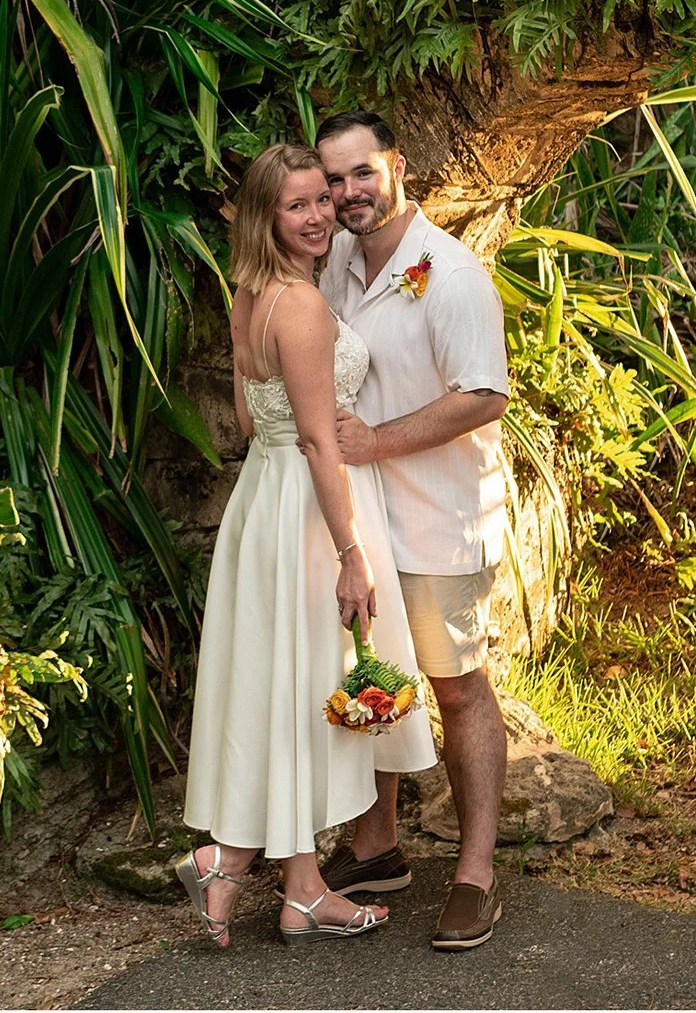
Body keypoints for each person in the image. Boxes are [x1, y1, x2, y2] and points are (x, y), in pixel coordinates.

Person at [178, 142, 436, 947]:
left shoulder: (250, 294)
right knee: (306, 690)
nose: (322, 214)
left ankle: (283, 885)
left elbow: (254, 421)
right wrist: (351, 553)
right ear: (267, 217)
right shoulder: (301, 306)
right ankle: (246, 868)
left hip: (263, 499)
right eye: (299, 205)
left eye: (323, 198)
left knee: (286, 689)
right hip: (309, 511)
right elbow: (322, 445)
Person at [314, 110, 515, 953]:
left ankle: (474, 875)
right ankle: (377, 846)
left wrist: (378, 441)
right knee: (375, 675)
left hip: (437, 518)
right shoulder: (331, 264)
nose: (348, 192)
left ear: (396, 167)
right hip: (364, 521)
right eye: (333, 179)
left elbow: (485, 394)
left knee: (454, 684)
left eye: (362, 172)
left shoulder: (450, 274)